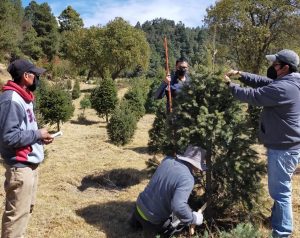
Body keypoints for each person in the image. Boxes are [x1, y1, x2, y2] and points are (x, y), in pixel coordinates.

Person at [224, 49, 300, 238]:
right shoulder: (292, 82)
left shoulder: (283, 88)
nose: (272, 67)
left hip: (283, 149)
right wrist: (241, 74)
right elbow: (264, 81)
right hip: (289, 146)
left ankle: (282, 233)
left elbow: (254, 96)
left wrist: (229, 85)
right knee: (282, 189)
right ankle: (276, 220)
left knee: (281, 193)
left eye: (275, 64)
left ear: (285, 67)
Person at [0, 59, 54, 238]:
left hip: (31, 165)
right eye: (36, 74)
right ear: (25, 76)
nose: (38, 77)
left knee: (25, 212)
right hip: (20, 167)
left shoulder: (25, 96)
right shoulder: (12, 100)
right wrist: (37, 134)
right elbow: (9, 137)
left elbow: (25, 131)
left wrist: (40, 139)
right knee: (16, 217)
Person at [129, 145, 206, 237]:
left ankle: (134, 224)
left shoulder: (167, 160)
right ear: (196, 164)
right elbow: (179, 207)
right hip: (152, 219)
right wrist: (194, 218)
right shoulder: (187, 179)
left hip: (139, 206)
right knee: (176, 221)